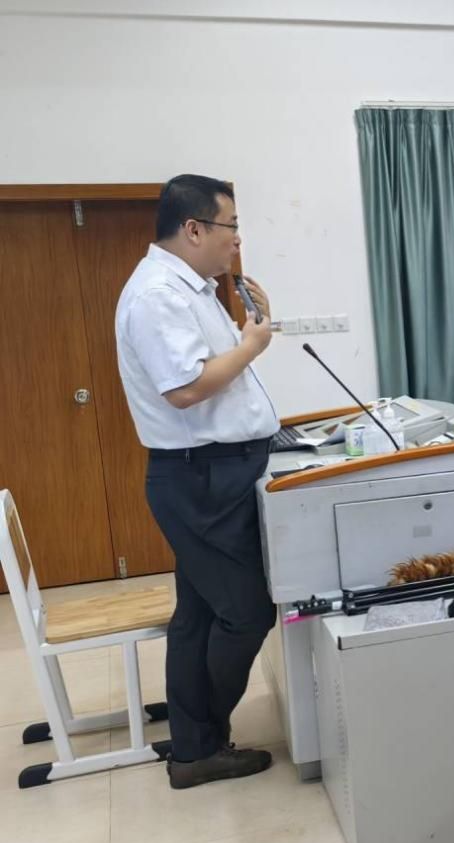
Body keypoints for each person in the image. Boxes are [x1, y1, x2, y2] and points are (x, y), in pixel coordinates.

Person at [114, 174, 279, 789]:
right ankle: (202, 742)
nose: (237, 240)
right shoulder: (158, 294)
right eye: (230, 226)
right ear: (193, 229)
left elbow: (212, 372)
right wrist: (252, 345)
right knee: (246, 613)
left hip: (212, 473)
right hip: (203, 479)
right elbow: (185, 389)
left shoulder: (193, 288)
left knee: (200, 615)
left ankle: (192, 741)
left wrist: (252, 327)